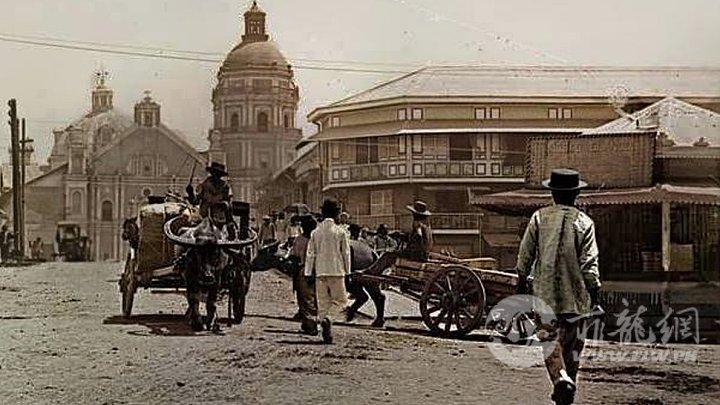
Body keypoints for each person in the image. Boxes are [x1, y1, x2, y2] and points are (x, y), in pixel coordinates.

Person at [515, 168, 601, 405]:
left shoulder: (539, 218)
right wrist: (596, 295)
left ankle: (561, 380)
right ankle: (567, 385)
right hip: (577, 298)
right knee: (573, 348)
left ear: (552, 193)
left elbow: (525, 256)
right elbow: (589, 264)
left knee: (550, 344)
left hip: (545, 296)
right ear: (576, 195)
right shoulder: (585, 222)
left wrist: (521, 285)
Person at [304, 198, 351, 344]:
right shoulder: (340, 232)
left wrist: (308, 273)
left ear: (323, 213)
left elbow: (310, 254)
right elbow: (346, 253)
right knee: (342, 301)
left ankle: (326, 330)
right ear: (336, 214)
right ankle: (328, 320)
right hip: (336, 271)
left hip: (320, 272)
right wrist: (348, 272)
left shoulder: (315, 233)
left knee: (323, 303)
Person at [346, 224, 386, 327]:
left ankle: (379, 317)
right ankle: (355, 307)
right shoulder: (362, 243)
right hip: (369, 254)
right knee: (365, 286)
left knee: (368, 285)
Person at [186, 162, 237, 239]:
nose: (216, 176)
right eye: (214, 173)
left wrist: (222, 204)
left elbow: (229, 204)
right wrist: (190, 193)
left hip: (220, 222)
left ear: (220, 176)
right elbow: (195, 201)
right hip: (203, 220)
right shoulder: (205, 184)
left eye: (218, 174)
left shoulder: (225, 186)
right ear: (212, 173)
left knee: (229, 235)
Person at [289, 215, 318, 335]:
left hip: (304, 270)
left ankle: (310, 325)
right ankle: (310, 323)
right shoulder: (318, 239)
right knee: (315, 298)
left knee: (305, 299)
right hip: (318, 271)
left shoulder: (299, 240)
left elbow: (294, 257)